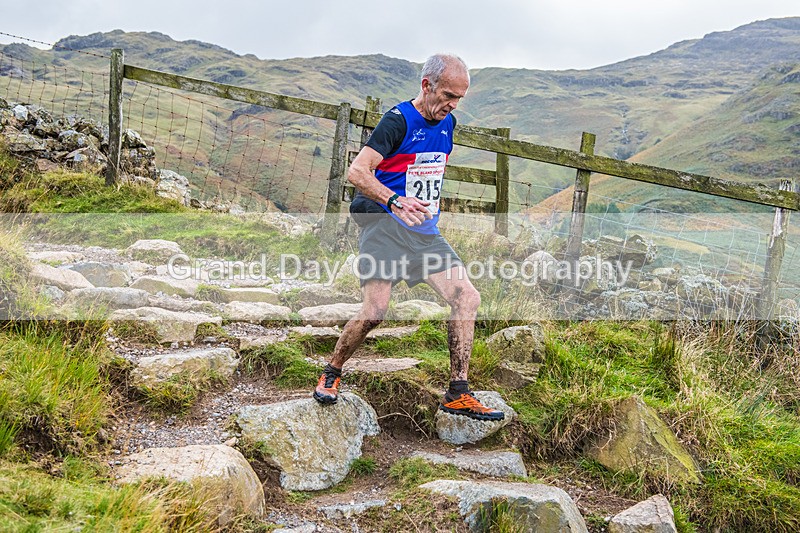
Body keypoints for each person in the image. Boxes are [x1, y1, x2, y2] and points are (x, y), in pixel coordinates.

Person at [312, 53, 503, 421]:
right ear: (426, 85)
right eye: (447, 95)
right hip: (385, 228)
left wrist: (425, 203)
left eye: (459, 98)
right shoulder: (397, 121)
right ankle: (332, 371)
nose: (452, 104)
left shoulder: (448, 123)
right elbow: (357, 172)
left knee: (467, 297)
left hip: (424, 234)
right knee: (375, 312)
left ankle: (458, 392)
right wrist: (395, 200)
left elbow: (427, 169)